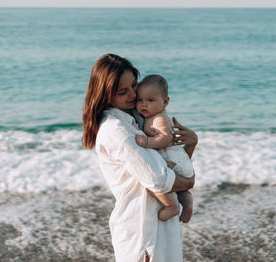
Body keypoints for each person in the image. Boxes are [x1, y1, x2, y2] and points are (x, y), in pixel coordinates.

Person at [82, 54, 198, 262]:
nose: (133, 95)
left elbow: (169, 166)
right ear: (106, 95)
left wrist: (190, 145)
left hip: (160, 221)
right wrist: (190, 181)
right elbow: (159, 179)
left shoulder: (137, 119)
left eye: (134, 86)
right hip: (144, 230)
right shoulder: (117, 129)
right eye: (122, 92)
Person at [135, 74, 194, 223]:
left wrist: (148, 142)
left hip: (172, 160)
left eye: (150, 100)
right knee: (183, 189)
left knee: (157, 182)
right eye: (140, 100)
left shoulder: (159, 118)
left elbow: (166, 138)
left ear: (165, 101)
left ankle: (172, 207)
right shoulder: (152, 115)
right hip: (180, 161)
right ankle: (187, 204)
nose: (144, 105)